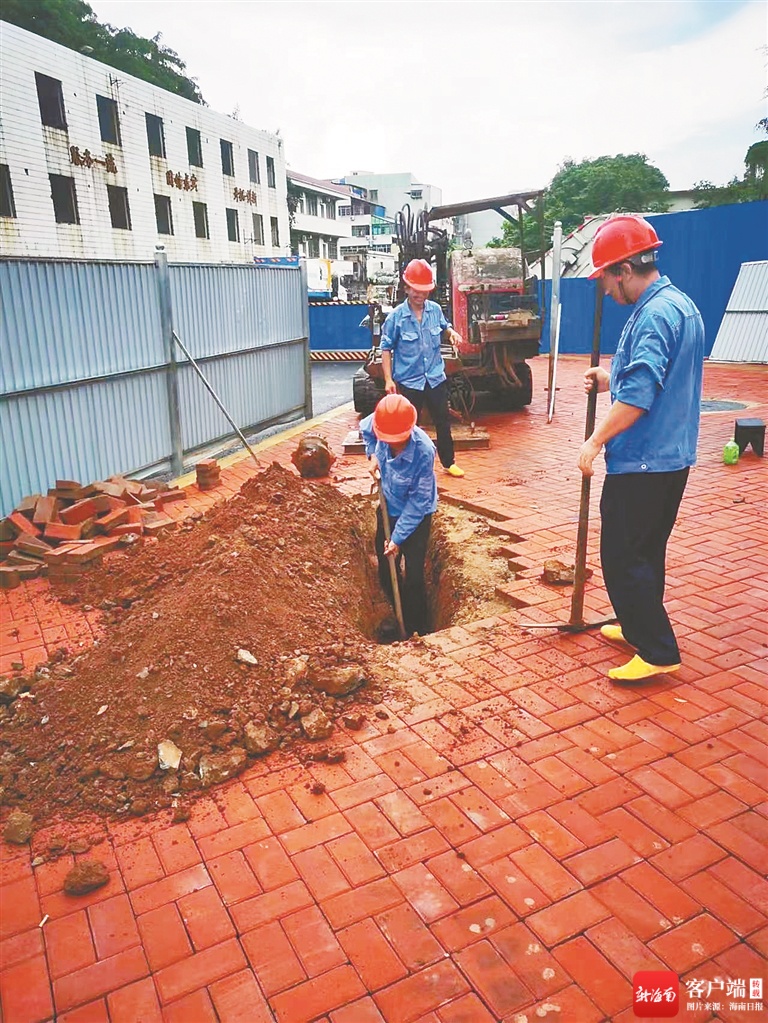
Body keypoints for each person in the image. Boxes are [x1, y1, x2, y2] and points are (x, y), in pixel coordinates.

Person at [578, 215, 705, 683]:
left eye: (608, 280)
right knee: (646, 551)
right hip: (670, 456)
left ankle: (656, 649)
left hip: (645, 461)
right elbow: (658, 377)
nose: (607, 292)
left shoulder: (652, 316)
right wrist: (612, 378)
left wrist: (595, 440)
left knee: (622, 554)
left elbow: (639, 397)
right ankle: (635, 625)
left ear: (625, 269)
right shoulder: (678, 305)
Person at [360, 393, 437, 637]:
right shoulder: (382, 421)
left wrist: (397, 539)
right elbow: (367, 430)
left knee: (413, 575)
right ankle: (399, 611)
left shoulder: (424, 451)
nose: (393, 443)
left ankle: (417, 627)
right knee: (385, 568)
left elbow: (418, 503)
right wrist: (372, 454)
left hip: (416, 516)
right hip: (388, 508)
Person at [380, 258, 465, 478]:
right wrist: (389, 380)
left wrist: (451, 333)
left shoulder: (435, 310)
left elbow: (444, 327)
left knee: (442, 421)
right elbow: (386, 348)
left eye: (425, 291)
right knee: (408, 426)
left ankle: (449, 462)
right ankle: (408, 467)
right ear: (407, 287)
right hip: (409, 381)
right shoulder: (396, 317)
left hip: (435, 377)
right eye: (416, 291)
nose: (420, 296)